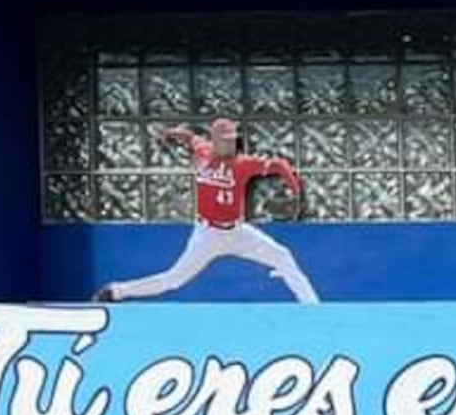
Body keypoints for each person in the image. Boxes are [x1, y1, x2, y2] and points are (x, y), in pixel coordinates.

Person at [94, 118, 316, 305]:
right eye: (224, 139)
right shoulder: (203, 151)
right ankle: (115, 292)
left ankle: (314, 310)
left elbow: (279, 165)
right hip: (207, 235)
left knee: (283, 256)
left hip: (238, 233)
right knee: (173, 280)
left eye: (232, 139)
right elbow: (190, 137)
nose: (229, 143)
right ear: (215, 139)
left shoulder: (244, 163)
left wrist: (297, 193)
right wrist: (172, 133)